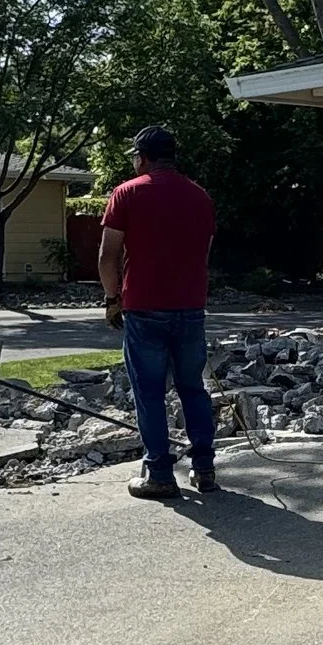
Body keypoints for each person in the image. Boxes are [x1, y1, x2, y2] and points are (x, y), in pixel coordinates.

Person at [99, 125, 220, 498]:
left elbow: (108, 255)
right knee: (192, 389)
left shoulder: (127, 193)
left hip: (144, 307)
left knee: (149, 393)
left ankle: (160, 474)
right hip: (190, 307)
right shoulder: (200, 197)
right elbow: (205, 252)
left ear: (144, 157)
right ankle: (204, 469)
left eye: (136, 156)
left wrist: (111, 298)